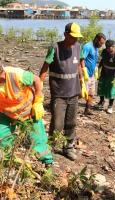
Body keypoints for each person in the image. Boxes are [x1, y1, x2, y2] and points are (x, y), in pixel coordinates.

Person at [39, 22, 88, 161]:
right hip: (59, 93)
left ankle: (68, 147)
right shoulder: (55, 48)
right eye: (73, 37)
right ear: (65, 34)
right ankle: (51, 147)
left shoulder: (78, 47)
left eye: (77, 37)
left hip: (73, 92)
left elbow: (79, 64)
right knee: (57, 123)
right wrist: (38, 88)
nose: (75, 40)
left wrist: (83, 81)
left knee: (71, 122)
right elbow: (44, 68)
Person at [82, 33, 106, 115]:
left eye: (103, 44)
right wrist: (83, 70)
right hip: (85, 74)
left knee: (91, 93)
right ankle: (67, 104)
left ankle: (87, 109)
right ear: (96, 39)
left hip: (91, 74)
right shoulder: (87, 46)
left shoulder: (96, 48)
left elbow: (93, 59)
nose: (101, 45)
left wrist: (96, 69)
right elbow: (81, 59)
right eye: (101, 43)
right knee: (82, 93)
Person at [96, 39, 115, 114]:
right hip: (104, 73)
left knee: (111, 90)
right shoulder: (104, 52)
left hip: (112, 75)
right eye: (107, 48)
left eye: (110, 49)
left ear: (114, 47)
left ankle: (110, 106)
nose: (109, 50)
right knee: (101, 88)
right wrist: (98, 69)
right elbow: (102, 60)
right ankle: (101, 102)